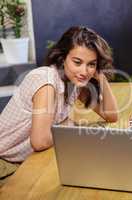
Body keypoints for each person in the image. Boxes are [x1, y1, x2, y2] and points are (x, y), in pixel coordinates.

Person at [0, 26, 118, 172]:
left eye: (91, 64)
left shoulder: (75, 84)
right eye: (77, 62)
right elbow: (40, 141)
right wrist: (67, 125)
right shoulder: (46, 81)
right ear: (63, 58)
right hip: (5, 163)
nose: (84, 71)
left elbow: (111, 115)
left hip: (27, 161)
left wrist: (101, 77)